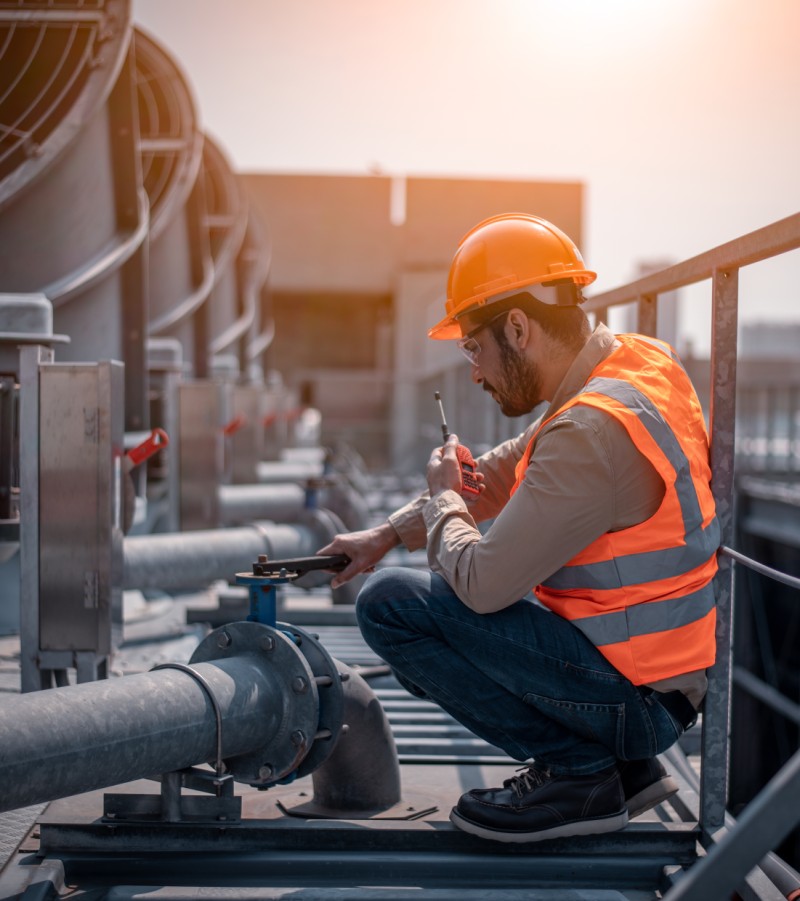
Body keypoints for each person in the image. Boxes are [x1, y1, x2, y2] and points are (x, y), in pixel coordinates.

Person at [318, 212, 720, 843]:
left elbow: (482, 586)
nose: (474, 372)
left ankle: (580, 771)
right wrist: (386, 535)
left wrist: (444, 500)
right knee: (407, 578)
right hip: (662, 682)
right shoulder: (633, 368)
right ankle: (623, 770)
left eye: (474, 348)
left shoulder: (589, 432)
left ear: (517, 327)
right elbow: (510, 470)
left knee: (391, 605)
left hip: (635, 702)